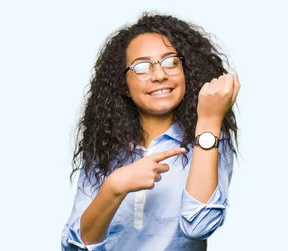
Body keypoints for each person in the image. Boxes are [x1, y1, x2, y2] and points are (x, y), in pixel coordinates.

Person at [61, 12, 240, 251]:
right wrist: (114, 187)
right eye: (142, 67)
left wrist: (208, 121)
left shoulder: (208, 139)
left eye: (171, 62)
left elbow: (199, 226)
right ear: (123, 85)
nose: (159, 75)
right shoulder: (104, 146)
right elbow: (75, 248)